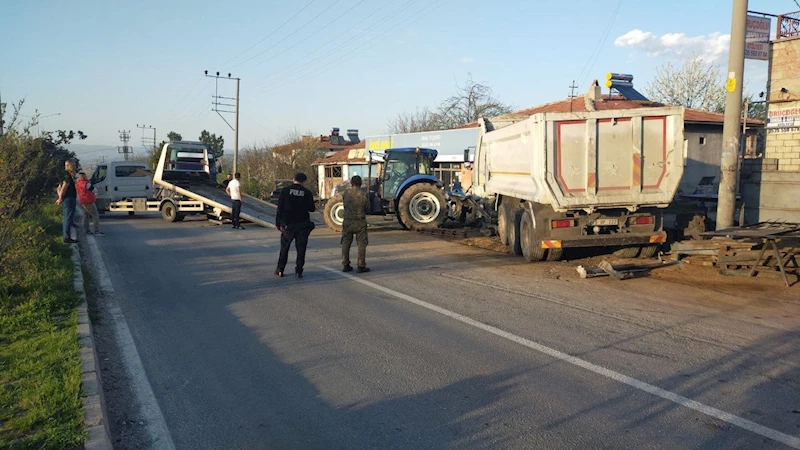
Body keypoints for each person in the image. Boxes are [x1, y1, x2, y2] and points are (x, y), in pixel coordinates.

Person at [274, 172, 316, 279]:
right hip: (303, 225)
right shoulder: (307, 193)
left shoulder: (285, 191)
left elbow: (280, 208)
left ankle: (280, 270)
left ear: (294, 179)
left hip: (288, 225)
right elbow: (312, 208)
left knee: (284, 248)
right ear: (303, 181)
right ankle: (299, 271)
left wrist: (278, 223)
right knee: (301, 249)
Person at [341, 175, 370, 273]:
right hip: (360, 221)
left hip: (347, 221)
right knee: (361, 243)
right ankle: (361, 265)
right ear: (360, 183)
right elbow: (368, 208)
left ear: (351, 183)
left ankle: (345, 264)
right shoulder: (363, 194)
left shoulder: (346, 193)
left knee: (346, 242)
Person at [55, 159, 78, 244]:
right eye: (73, 165)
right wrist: (60, 198)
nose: (74, 167)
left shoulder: (64, 175)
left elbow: (59, 187)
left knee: (66, 217)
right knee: (68, 218)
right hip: (69, 198)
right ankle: (66, 237)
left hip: (66, 198)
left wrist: (59, 196)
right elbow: (64, 186)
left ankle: (66, 236)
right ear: (69, 165)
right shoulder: (67, 175)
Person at [75, 172, 104, 236]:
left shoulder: (78, 184)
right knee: (95, 215)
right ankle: (97, 231)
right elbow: (95, 190)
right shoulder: (87, 184)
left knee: (86, 216)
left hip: (82, 201)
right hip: (89, 201)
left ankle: (87, 230)